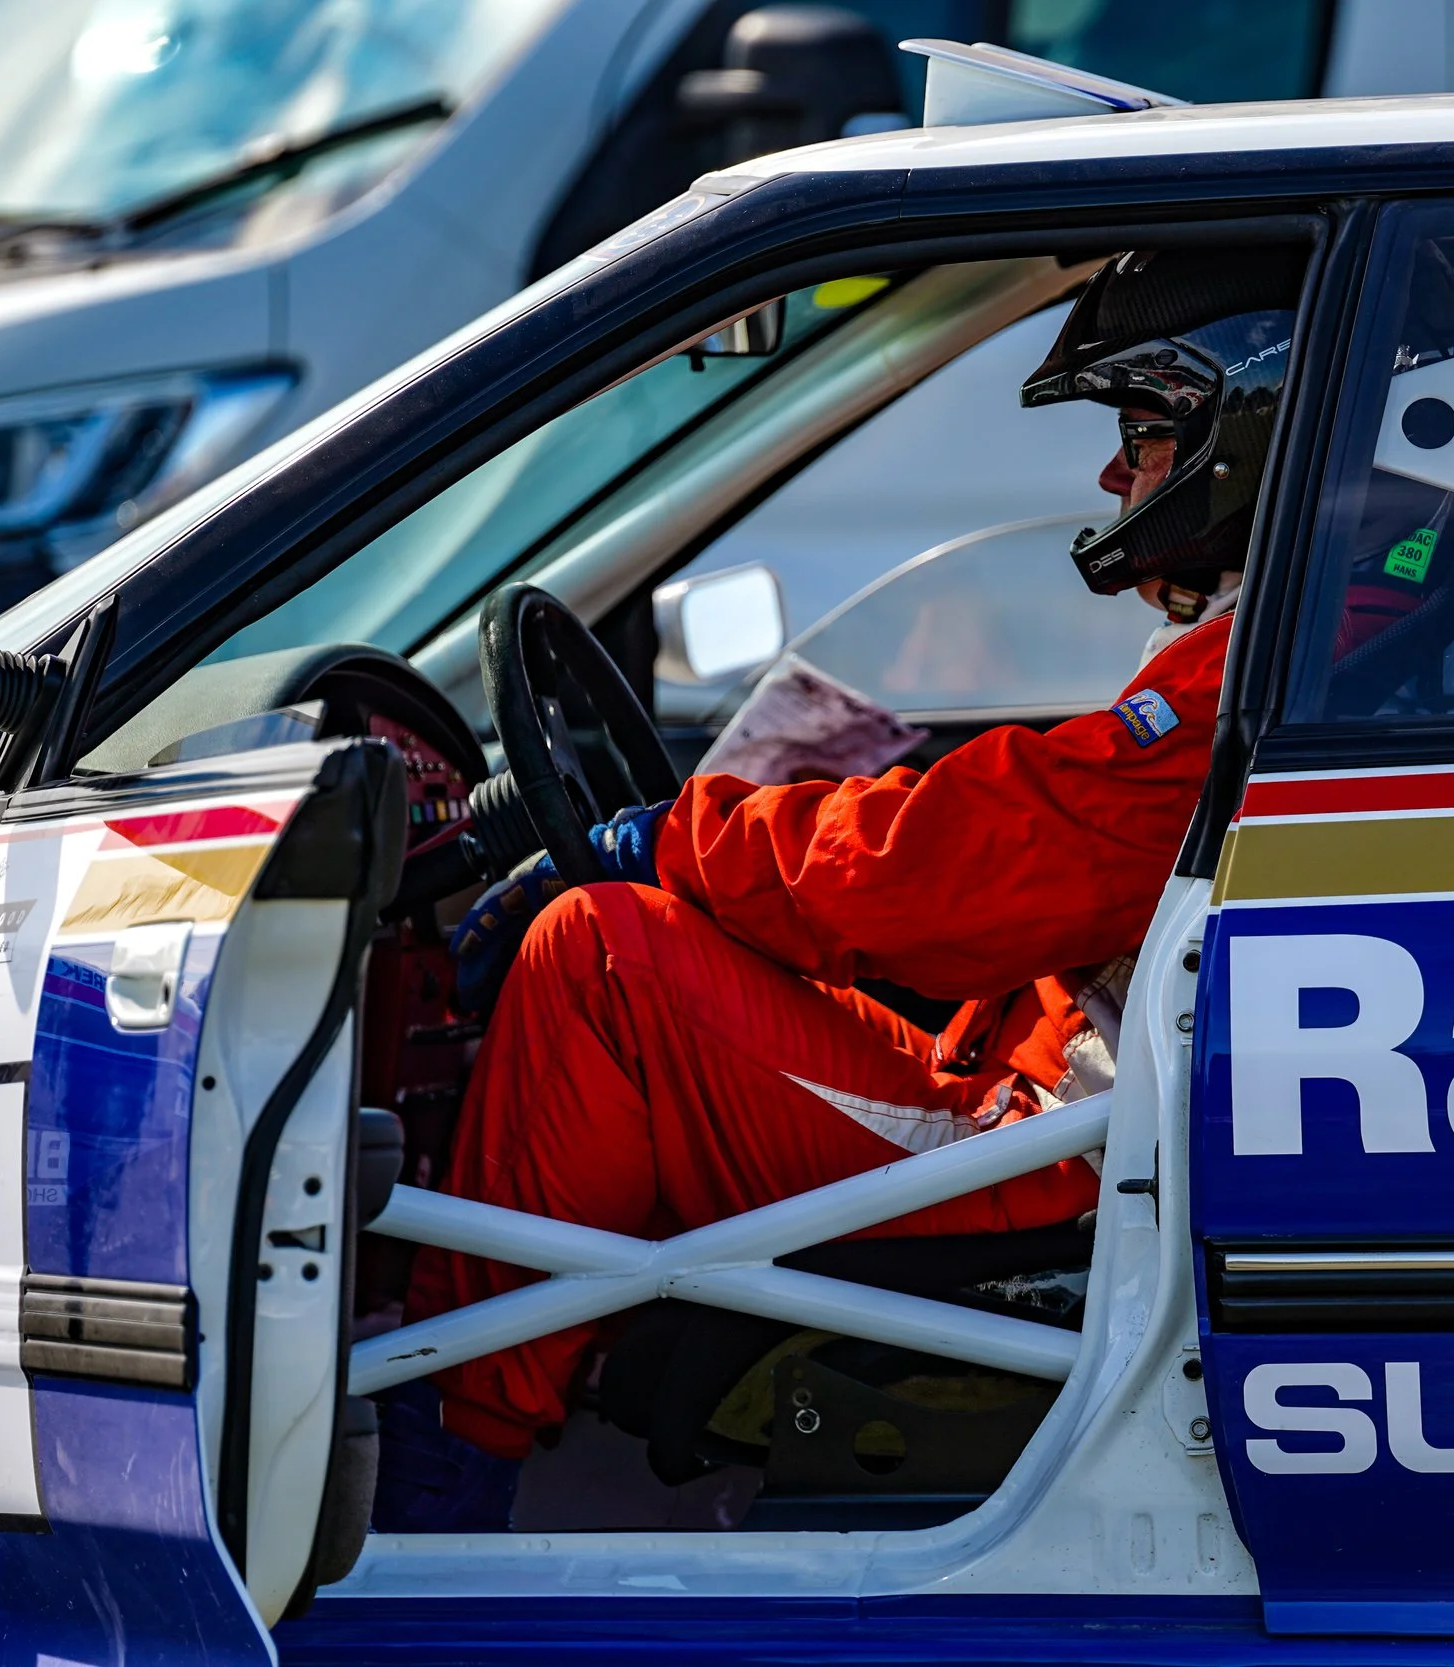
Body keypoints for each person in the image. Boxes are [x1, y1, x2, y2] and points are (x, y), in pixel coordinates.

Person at [376, 246, 1307, 1528]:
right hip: (1063, 1109)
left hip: (1058, 1157)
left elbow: (954, 867)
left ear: (1241, 435)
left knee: (598, 958)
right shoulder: (1306, 636)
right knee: (647, 946)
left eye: (1140, 435)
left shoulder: (1249, 677)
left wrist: (666, 841)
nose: (1113, 477)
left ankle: (439, 1474)